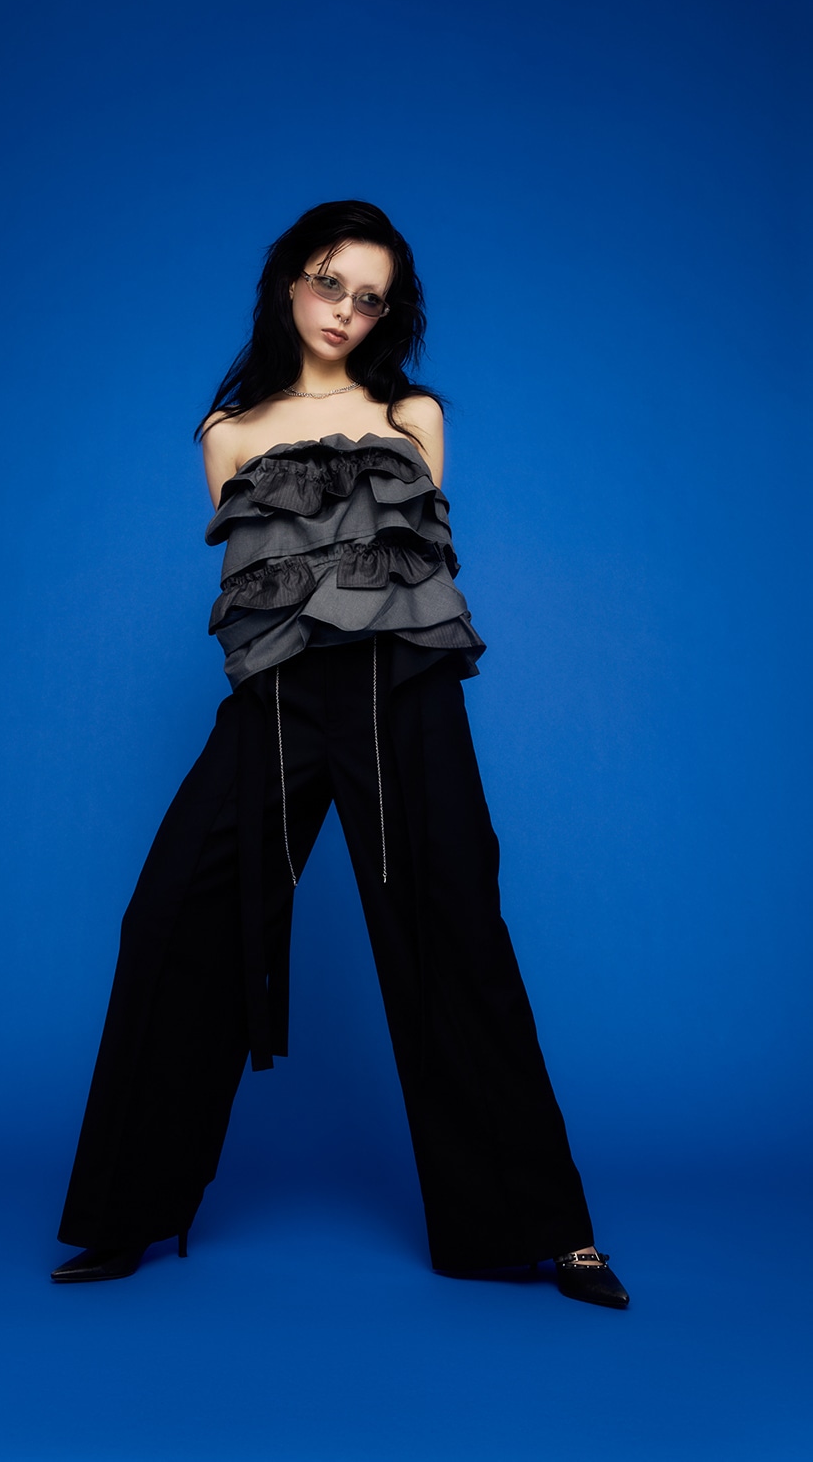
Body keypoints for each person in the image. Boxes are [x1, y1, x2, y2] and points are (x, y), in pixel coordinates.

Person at [51, 199, 629, 1309]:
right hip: (275, 702)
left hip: (399, 693)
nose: (344, 310)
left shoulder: (411, 413)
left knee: (456, 927)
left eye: (369, 297)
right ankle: (127, 1211)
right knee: (171, 916)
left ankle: (548, 1230)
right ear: (288, 281)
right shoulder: (226, 432)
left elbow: (423, 567)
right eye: (329, 282)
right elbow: (252, 589)